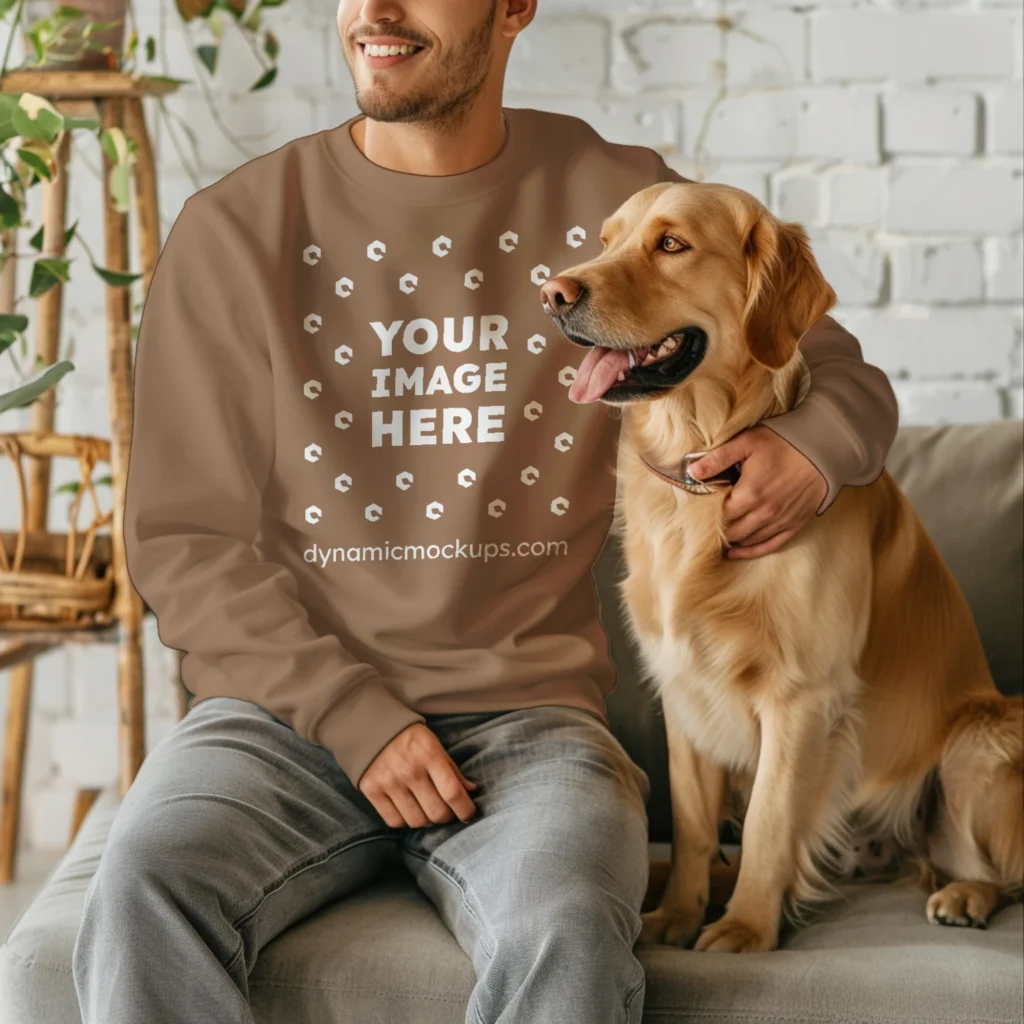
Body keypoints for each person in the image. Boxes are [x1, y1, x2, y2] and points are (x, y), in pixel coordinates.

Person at [71, 2, 899, 1022]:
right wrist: (354, 719)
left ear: (513, 9)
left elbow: (835, 368)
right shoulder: (238, 226)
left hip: (532, 726)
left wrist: (810, 451)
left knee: (566, 927)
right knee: (141, 887)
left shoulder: (610, 194)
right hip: (277, 721)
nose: (374, 10)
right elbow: (182, 541)